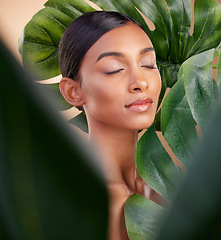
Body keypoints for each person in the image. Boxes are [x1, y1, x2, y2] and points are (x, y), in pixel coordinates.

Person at [58, 11, 162, 240]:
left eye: (148, 64)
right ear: (73, 91)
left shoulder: (168, 185)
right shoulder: (81, 202)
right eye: (114, 69)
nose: (140, 83)